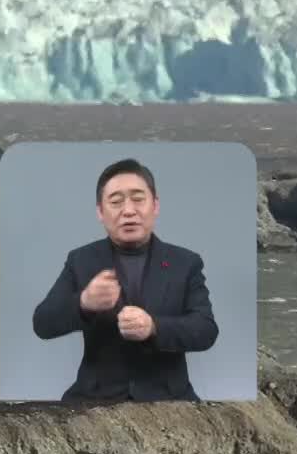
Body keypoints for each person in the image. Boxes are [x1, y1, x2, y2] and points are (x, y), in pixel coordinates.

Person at [31, 157, 218, 402]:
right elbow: (42, 323)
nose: (128, 211)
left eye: (138, 199)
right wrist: (84, 303)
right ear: (100, 211)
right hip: (94, 399)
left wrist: (154, 327)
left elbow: (205, 330)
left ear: (156, 205)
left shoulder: (185, 263)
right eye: (116, 201)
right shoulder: (81, 260)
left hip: (170, 399)